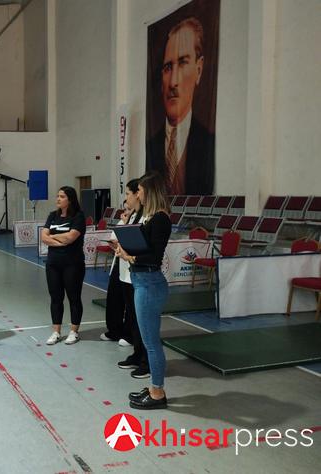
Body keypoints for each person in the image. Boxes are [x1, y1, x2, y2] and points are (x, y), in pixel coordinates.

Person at [115, 172, 171, 409]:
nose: (137, 194)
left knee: (151, 342)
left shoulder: (160, 219)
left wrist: (130, 256)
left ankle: (157, 392)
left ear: (150, 191)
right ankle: (154, 388)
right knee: (149, 340)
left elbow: (154, 257)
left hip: (149, 283)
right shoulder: (149, 217)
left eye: (139, 190)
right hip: (142, 280)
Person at [146, 17, 214, 195]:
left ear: (198, 69)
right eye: (168, 67)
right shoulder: (151, 145)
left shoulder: (208, 141)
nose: (173, 82)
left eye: (183, 62)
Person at [114, 179, 150, 379]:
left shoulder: (148, 216)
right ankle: (137, 354)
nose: (126, 197)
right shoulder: (133, 215)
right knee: (133, 318)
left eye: (128, 193)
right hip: (127, 273)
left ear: (138, 194)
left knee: (142, 320)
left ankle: (146, 360)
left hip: (139, 273)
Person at [41, 186, 86, 345]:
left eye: (62, 196)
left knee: (74, 297)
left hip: (72, 264)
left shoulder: (78, 217)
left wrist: (53, 236)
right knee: (56, 298)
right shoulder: (52, 216)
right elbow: (44, 237)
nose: (58, 199)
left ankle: (74, 331)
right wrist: (60, 240)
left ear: (70, 200)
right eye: (57, 196)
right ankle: (56, 331)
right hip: (53, 264)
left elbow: (71, 238)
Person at [100, 200, 131, 345]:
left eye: (128, 209)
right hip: (118, 263)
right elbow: (114, 242)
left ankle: (129, 334)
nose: (125, 213)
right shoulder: (120, 223)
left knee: (129, 301)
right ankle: (114, 330)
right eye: (124, 209)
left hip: (131, 265)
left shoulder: (138, 222)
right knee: (114, 297)